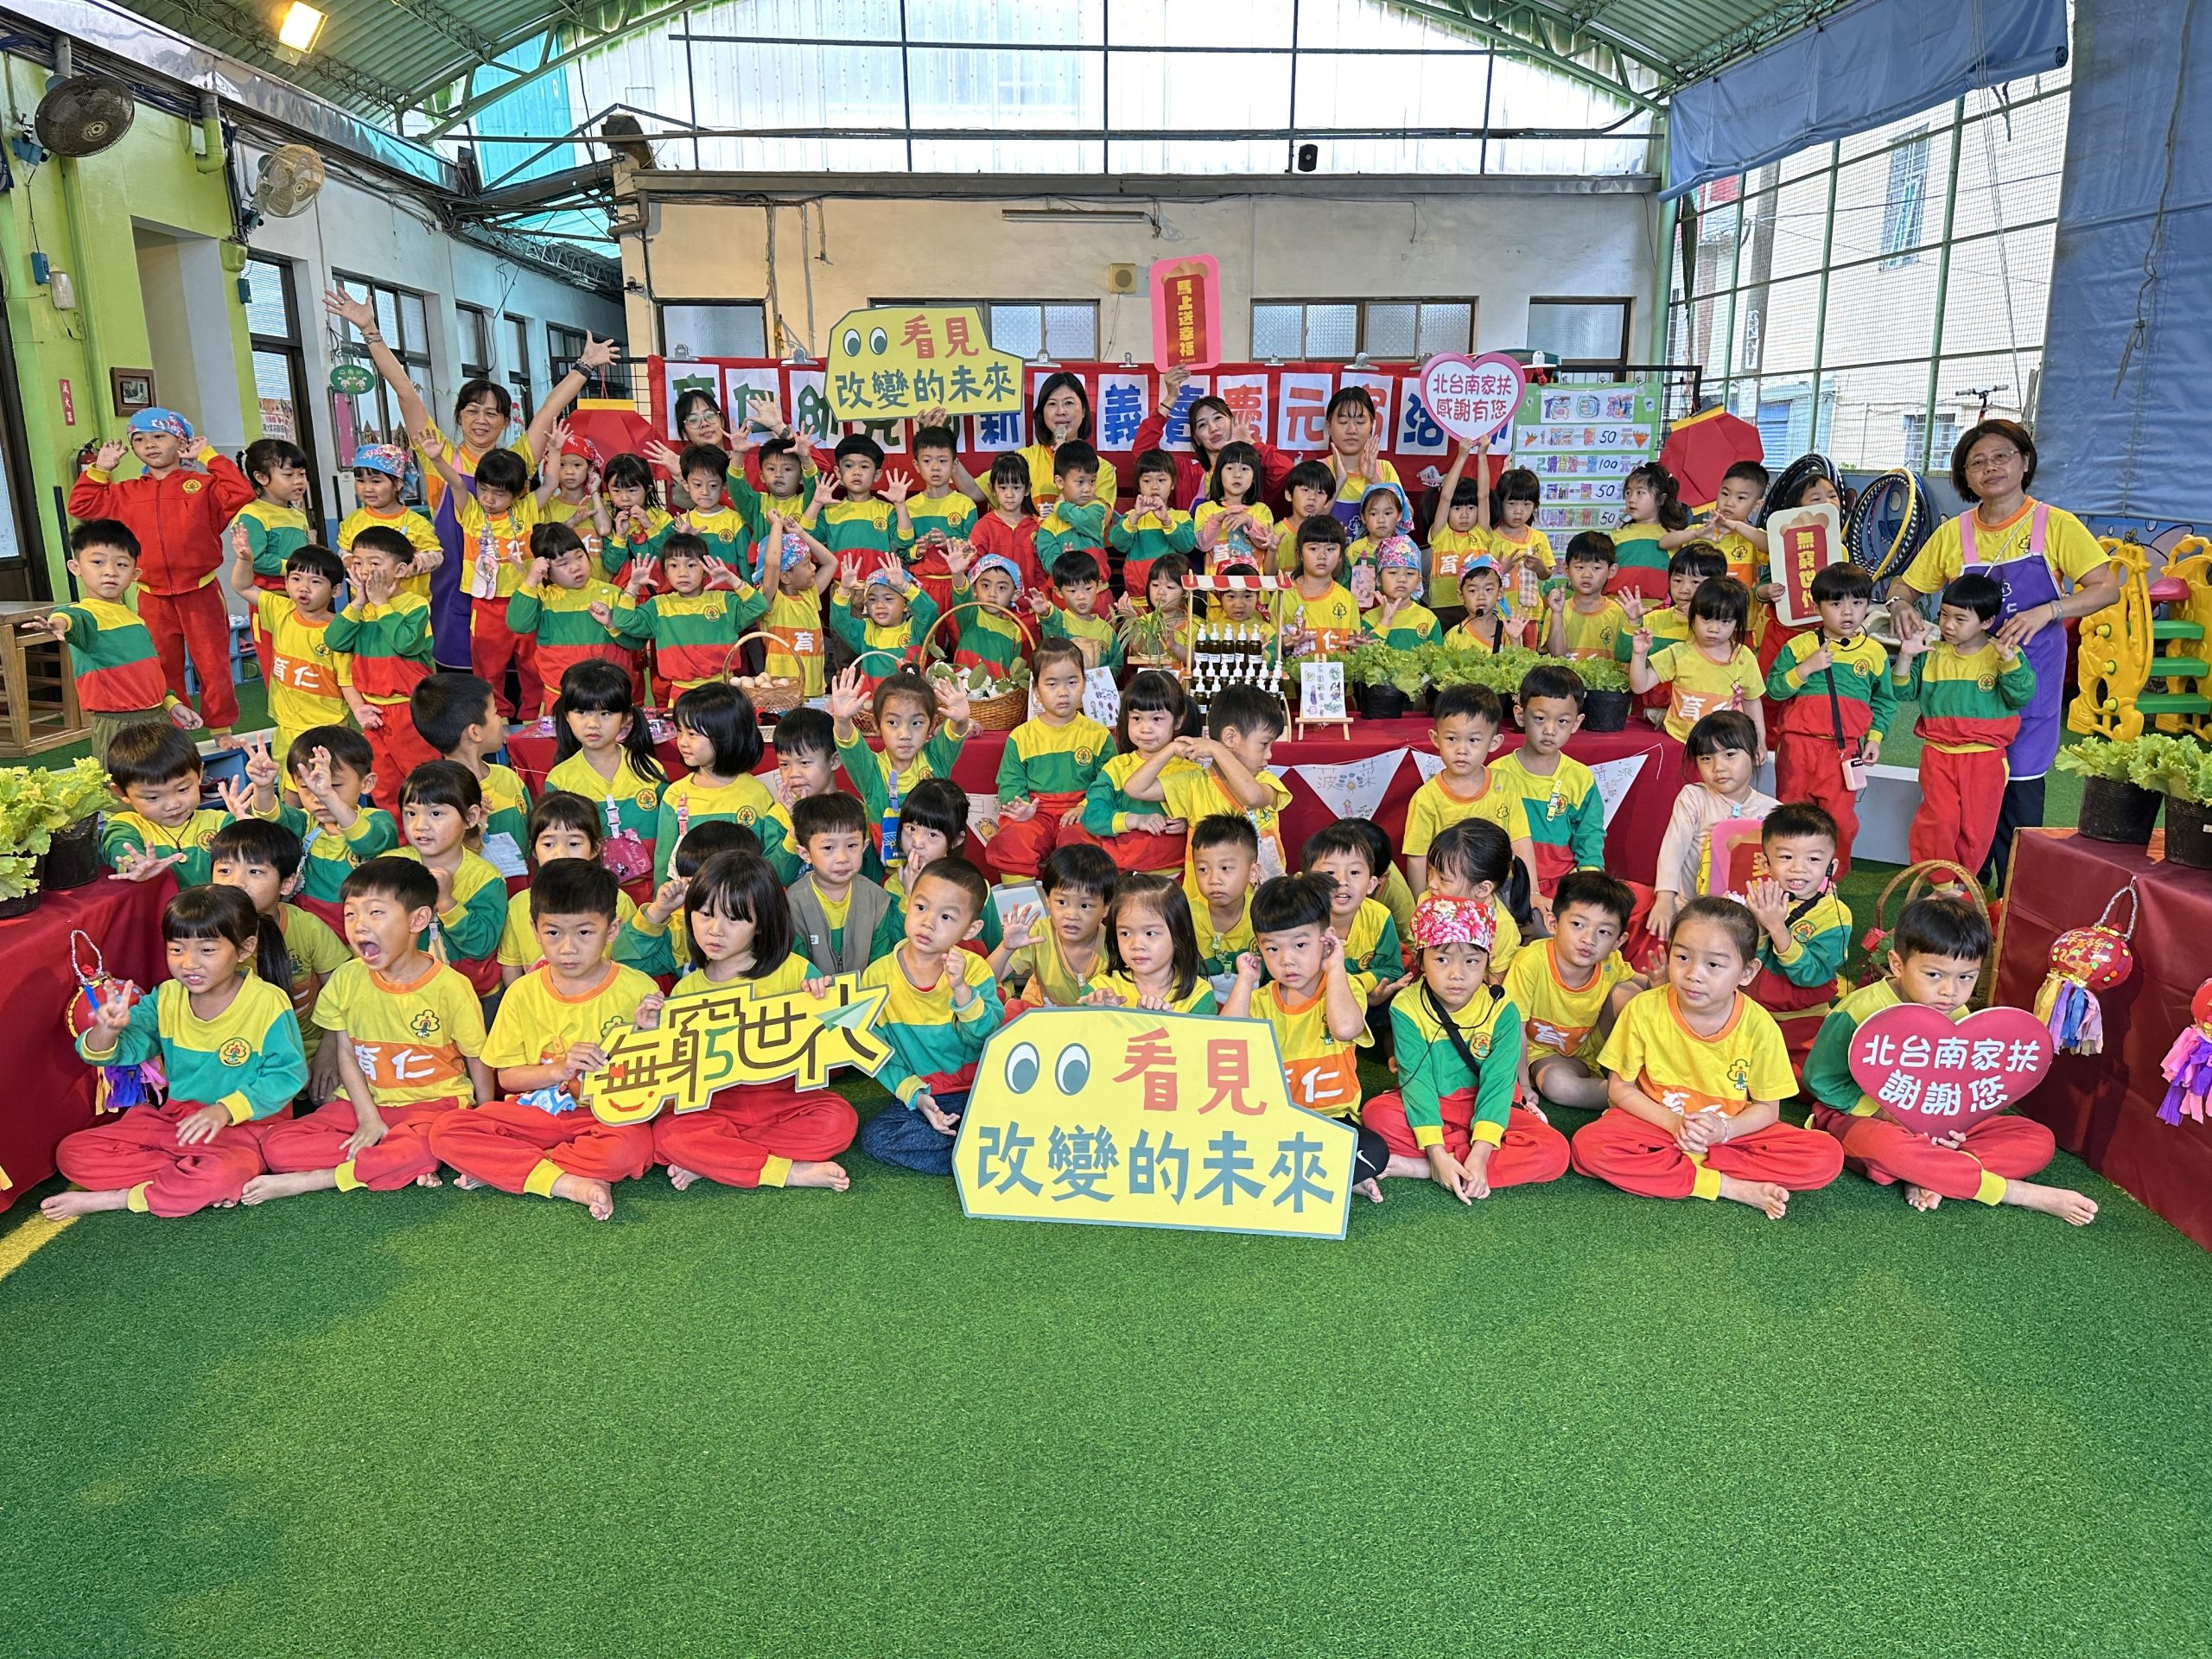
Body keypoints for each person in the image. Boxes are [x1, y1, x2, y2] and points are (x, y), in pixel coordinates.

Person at [328, 285, 613, 672]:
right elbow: (406, 393)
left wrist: (584, 366)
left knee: (524, 676)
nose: (481, 420)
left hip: (515, 588)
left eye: (492, 413)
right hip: (452, 585)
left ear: (506, 421)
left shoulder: (517, 460)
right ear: (459, 415)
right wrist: (370, 331)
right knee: (463, 678)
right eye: (472, 411)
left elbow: (550, 409)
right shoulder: (440, 455)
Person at [1886, 419, 2120, 887]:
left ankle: (2012, 897)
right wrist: (1899, 606)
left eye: (2001, 456)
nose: (1990, 467)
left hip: (2031, 682)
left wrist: (2050, 610)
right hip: (1965, 699)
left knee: (2019, 792)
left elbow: (2106, 588)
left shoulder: (2056, 525)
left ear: (2025, 462)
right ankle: (1961, 895)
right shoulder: (1953, 533)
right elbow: (1904, 587)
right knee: (1956, 806)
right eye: (1977, 462)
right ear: (1964, 476)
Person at [1805, 897, 2097, 1223]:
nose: (1950, 991)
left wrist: (1954, 1125)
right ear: (1897, 964)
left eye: (1966, 977)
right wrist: (1883, 1114)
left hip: (1936, 1121)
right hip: (1863, 1117)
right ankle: (2012, 1191)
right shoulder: (1859, 1010)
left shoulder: (1956, 1014)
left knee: (2038, 1141)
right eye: (1934, 974)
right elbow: (1822, 1080)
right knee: (1885, 1147)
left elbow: (1958, 1082)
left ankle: (1932, 1174)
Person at [41, 885, 305, 1220]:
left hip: (246, 1130)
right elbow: (110, 1051)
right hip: (177, 1123)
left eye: (206, 950)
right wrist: (107, 1029)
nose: (189, 963)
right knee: (72, 1153)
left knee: (225, 1172)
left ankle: (121, 1198)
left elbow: (288, 1074)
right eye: (176, 949)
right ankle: (187, 1176)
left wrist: (225, 1110)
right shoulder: (166, 997)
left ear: (244, 948)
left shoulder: (268, 1002)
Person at [1571, 896, 1843, 1217]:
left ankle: (1677, 1164)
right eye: (1682, 957)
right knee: (1590, 1145)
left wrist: (1724, 1131)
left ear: (1747, 971)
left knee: (1825, 1156)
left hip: (1729, 1133)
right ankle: (1723, 1184)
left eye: (1713, 965)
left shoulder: (1760, 1026)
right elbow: (1620, 1088)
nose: (1693, 974)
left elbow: (1768, 1109)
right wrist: (1675, 1124)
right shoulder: (1643, 1009)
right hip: (1658, 1125)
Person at [243, 856, 494, 1205]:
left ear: (418, 919)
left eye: (376, 912)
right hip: (360, 1103)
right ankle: (388, 1160)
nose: (359, 926)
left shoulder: (452, 986)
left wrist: (485, 1117)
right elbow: (346, 1053)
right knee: (277, 1147)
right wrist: (368, 1118)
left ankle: (323, 1178)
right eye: (350, 914)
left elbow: (476, 1056)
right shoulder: (347, 978)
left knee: (427, 1146)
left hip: (432, 1106)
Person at [427, 857, 660, 1220]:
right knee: (446, 1132)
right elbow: (507, 1078)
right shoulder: (522, 992)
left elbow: (653, 1077)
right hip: (533, 1115)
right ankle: (567, 1181)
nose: (567, 948)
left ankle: (514, 1168)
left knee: (635, 1147)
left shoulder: (637, 988)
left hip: (600, 1118)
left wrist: (650, 1032)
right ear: (535, 930)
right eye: (553, 933)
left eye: (584, 933)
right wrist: (559, 1069)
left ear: (612, 929)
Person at [652, 850, 856, 1194]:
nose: (715, 930)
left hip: (783, 1096)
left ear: (761, 922)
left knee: (840, 1121)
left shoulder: (794, 971)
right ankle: (785, 1171)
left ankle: (722, 1159)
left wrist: (823, 1003)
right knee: (666, 1134)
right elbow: (675, 1073)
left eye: (734, 918)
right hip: (719, 1103)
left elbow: (837, 1043)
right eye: (705, 914)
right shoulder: (686, 989)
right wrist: (651, 1029)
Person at [1363, 893, 1568, 1201]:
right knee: (1377, 1114)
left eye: (1472, 961)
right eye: (1442, 960)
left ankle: (1426, 1168)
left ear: (1487, 962)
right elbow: (1417, 1084)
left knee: (1555, 1152)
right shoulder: (1406, 1006)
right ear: (1421, 960)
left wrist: (1481, 1153)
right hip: (1435, 1102)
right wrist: (1436, 1150)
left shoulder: (1502, 1011)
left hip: (1486, 1103)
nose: (1457, 974)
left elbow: (1498, 1088)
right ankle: (1444, 1161)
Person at [66, 409, 255, 731]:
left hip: (201, 591)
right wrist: (100, 469)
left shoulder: (203, 486)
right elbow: (81, 505)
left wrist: (207, 456)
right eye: (139, 440)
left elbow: (241, 492)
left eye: (159, 436)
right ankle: (173, 729)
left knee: (213, 665)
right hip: (151, 595)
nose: (149, 445)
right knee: (161, 666)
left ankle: (221, 727)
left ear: (180, 442)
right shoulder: (125, 492)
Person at [1225, 874, 1382, 1197]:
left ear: (1326, 940)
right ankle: (1329, 1177)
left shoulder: (1344, 988)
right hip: (1276, 1124)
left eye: (1300, 945)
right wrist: (1244, 981)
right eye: (1272, 948)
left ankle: (1306, 1174)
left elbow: (1346, 1029)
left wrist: (1335, 967)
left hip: (1333, 1122)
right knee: (1232, 1145)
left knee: (1374, 1151)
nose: (1287, 960)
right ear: (1259, 948)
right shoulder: (1260, 999)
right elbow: (1228, 1040)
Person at [855, 857, 1004, 1176]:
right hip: (926, 1095)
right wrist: (917, 1097)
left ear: (971, 929)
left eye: (946, 916)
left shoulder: (974, 969)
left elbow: (986, 1039)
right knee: (876, 1138)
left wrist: (962, 991)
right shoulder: (877, 977)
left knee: (1021, 1116)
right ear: (908, 902)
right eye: (921, 907)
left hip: (979, 1089)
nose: (928, 923)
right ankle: (976, 1154)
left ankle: (978, 1145)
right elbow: (878, 1052)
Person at [1893, 574, 2038, 877]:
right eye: (1944, 615)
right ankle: (1941, 885)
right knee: (1938, 820)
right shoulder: (1933, 653)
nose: (1948, 625)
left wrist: (2009, 661)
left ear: (1987, 622)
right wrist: (1905, 657)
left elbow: (2021, 696)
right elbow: (1902, 692)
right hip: (1938, 754)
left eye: (1960, 619)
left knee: (1976, 830)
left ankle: (1963, 886)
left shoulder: (2002, 653)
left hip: (1984, 758)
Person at [25, 519, 204, 764]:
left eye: (121, 564)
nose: (110, 571)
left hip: (157, 716)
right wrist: (57, 623)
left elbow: (150, 676)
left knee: (164, 776)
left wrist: (172, 704)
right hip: (117, 724)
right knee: (121, 782)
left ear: (135, 574)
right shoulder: (86, 614)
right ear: (75, 567)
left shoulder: (135, 619)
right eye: (98, 562)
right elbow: (69, 616)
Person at [1764, 562, 1893, 874]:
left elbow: (1884, 701)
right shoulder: (1799, 646)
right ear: (1816, 606)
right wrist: (1805, 669)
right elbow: (1774, 690)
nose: (1848, 612)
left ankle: (1830, 884)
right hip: (1798, 748)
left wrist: (1875, 738)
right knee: (1792, 818)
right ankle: (1790, 880)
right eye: (1836, 604)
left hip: (1844, 751)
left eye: (1857, 603)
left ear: (1868, 605)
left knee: (1841, 823)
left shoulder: (1874, 653)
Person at [207, 817, 350, 1092]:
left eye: (255, 872)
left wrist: (329, 1052)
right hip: (242, 1051)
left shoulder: (307, 927)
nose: (237, 883)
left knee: (329, 1096)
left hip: (309, 1047)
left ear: (287, 884)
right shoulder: (207, 935)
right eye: (224, 870)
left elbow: (343, 992)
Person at [1503, 869, 1642, 1112]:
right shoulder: (1530, 963)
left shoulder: (1610, 963)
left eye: (1604, 932)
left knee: (1632, 996)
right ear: (1553, 924)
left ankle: (1653, 1082)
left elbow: (1646, 988)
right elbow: (1515, 1029)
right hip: (1544, 1054)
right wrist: (1522, 1085)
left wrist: (1663, 983)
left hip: (1592, 1048)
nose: (1589, 939)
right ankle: (1636, 1097)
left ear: (1618, 941)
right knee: (1558, 1085)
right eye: (1578, 924)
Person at [226, 540, 365, 769]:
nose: (304, 587)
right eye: (296, 579)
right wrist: (245, 559)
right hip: (286, 728)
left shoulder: (339, 631)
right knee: (289, 786)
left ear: (336, 590)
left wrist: (359, 708)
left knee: (326, 784)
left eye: (316, 581)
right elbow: (242, 586)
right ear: (286, 582)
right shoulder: (280, 610)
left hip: (327, 732)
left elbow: (346, 681)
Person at [327, 524, 435, 810]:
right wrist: (358, 603)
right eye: (358, 563)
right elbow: (334, 641)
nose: (365, 571)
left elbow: (405, 643)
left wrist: (381, 603)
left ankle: (431, 833)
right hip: (373, 712)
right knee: (384, 785)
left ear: (400, 570)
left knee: (423, 780)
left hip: (410, 710)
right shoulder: (359, 609)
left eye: (374, 563)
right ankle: (395, 835)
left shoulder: (415, 604)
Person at [1488, 664, 1605, 926]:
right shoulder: (1496, 774)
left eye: (1562, 721)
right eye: (1540, 718)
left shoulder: (1580, 778)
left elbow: (1590, 837)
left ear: (1576, 723)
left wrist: (1588, 883)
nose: (1550, 730)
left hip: (1562, 887)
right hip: (1507, 886)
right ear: (1520, 715)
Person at [1647, 711, 1778, 943]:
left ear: (1755, 753)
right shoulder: (1694, 797)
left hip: (1748, 921)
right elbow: (1673, 848)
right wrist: (1665, 899)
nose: (1718, 767)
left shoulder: (1773, 811)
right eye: (1706, 758)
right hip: (1691, 910)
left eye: (1730, 755)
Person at [828, 665, 972, 870]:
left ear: (932, 726)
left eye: (917, 723)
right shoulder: (871, 771)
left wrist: (962, 720)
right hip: (883, 873)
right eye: (893, 722)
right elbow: (849, 745)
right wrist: (842, 720)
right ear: (877, 724)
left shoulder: (935, 759)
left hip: (932, 871)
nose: (905, 734)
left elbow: (954, 734)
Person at [989, 641, 1112, 882]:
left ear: (1085, 683)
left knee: (1083, 845)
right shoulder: (1020, 737)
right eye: (1052, 684)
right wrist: (1021, 806)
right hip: (1036, 811)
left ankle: (1076, 901)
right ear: (1036, 690)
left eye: (1072, 682)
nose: (1063, 692)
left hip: (1081, 811)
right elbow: (1011, 783)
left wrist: (1086, 806)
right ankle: (1021, 902)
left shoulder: (1099, 735)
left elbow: (1108, 782)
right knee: (1014, 839)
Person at [1743, 802, 1853, 1068]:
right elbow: (1747, 961)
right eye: (1786, 857)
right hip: (1752, 1013)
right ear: (1765, 863)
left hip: (1804, 1020)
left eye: (1813, 859)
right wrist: (1760, 927)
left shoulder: (1834, 914)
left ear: (1831, 867)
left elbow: (1811, 975)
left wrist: (1776, 928)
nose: (1798, 868)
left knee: (1806, 1078)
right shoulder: (1760, 900)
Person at [544, 659, 666, 898]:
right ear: (567, 716)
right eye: (582, 712)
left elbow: (668, 839)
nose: (593, 724)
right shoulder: (560, 780)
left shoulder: (650, 770)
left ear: (626, 717)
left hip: (650, 895)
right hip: (589, 896)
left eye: (606, 713)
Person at [264, 726, 401, 932]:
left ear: (366, 783)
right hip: (310, 935)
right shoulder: (305, 822)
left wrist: (329, 797)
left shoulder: (379, 821)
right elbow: (272, 819)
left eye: (333, 786)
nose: (319, 796)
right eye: (308, 787)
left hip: (363, 933)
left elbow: (367, 843)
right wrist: (263, 788)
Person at [494, 792, 641, 984]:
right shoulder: (517, 904)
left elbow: (631, 959)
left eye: (574, 843)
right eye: (548, 844)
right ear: (533, 849)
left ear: (595, 848)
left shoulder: (618, 900)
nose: (561, 853)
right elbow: (511, 966)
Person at [391, 760, 508, 995]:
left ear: (471, 817)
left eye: (436, 813)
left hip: (475, 995)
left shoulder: (486, 879)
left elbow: (482, 946)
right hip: (409, 993)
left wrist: (446, 901)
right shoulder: (391, 868)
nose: (420, 825)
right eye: (411, 813)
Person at [607, 531, 766, 702]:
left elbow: (759, 606)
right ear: (665, 572)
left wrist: (732, 579)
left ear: (705, 570)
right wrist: (633, 585)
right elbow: (623, 620)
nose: (682, 572)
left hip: (724, 690)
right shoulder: (659, 606)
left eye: (691, 565)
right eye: (674, 566)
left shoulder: (724, 601)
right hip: (681, 694)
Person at [411, 672, 531, 880]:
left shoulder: (508, 777)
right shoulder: (438, 797)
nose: (500, 720)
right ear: (475, 732)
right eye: (495, 713)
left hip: (523, 890)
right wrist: (468, 825)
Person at [505, 523, 635, 715]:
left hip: (610, 696)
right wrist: (531, 581)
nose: (576, 567)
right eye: (563, 564)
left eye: (579, 556)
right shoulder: (543, 599)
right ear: (546, 570)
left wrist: (611, 623)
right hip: (561, 698)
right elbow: (518, 624)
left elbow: (633, 641)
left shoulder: (612, 593)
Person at [1076, 671, 1195, 875]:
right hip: (1125, 874)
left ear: (1178, 720)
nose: (1145, 728)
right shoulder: (1116, 768)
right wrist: (1135, 820)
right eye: (1137, 718)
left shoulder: (1190, 769)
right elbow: (1093, 815)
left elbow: (1207, 815)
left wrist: (1187, 823)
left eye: (1157, 719)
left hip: (1176, 873)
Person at [1629, 575, 1766, 753]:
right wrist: (1639, 655)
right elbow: (1640, 686)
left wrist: (1759, 741)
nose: (1714, 629)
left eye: (1725, 621)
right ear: (1693, 616)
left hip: (1722, 747)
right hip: (1679, 743)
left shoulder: (1744, 656)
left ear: (1737, 623)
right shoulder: (1679, 652)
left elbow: (1752, 701)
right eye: (1706, 619)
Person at [1133, 369, 1295, 512]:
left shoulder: (1251, 470)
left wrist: (1250, 444)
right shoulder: (1187, 472)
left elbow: (1286, 471)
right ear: (1197, 439)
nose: (1213, 428)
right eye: (1202, 425)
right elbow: (1143, 453)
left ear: (1232, 422)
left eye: (1218, 418)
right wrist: (1170, 397)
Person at [613, 819, 757, 981]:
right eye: (693, 886)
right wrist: (659, 910)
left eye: (733, 917)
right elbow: (627, 960)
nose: (715, 930)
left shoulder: (766, 926)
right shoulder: (679, 932)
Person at [1403, 685, 1509, 895]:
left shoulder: (1505, 784)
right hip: (1446, 895)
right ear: (1435, 739)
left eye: (1473, 740)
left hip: (1496, 891)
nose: (1462, 750)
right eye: (1452, 739)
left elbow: (1520, 841)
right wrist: (1421, 903)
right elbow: (1417, 857)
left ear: (1494, 742)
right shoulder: (1426, 798)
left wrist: (1532, 892)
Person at [228, 435, 313, 683]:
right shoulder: (252, 514)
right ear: (261, 478)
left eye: (302, 474)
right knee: (276, 660)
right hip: (269, 599)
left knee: (304, 657)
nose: (299, 481)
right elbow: (256, 560)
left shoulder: (297, 514)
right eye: (289, 475)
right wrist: (297, 569)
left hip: (301, 597)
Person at [1303, 823, 1409, 1020]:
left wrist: (1360, 984)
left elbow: (1393, 969)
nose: (1342, 881)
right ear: (1306, 882)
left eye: (1354, 872)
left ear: (1371, 884)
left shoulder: (1379, 916)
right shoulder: (1298, 920)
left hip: (1366, 1000)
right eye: (1330, 873)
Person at [994, 842, 1116, 1010]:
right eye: (1062, 902)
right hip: (1040, 1011)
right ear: (1048, 900)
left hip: (1091, 1018)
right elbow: (983, 980)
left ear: (1105, 908)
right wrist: (1006, 948)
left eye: (1085, 905)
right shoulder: (1037, 934)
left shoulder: (1115, 944)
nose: (1071, 915)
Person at [786, 790, 895, 977]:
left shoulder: (876, 899)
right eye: (829, 847)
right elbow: (796, 970)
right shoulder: (792, 904)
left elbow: (881, 964)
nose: (842, 858)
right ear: (805, 854)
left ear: (864, 846)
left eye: (852, 845)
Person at [1084, 874, 1216, 1014]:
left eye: (1150, 933)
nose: (1136, 945)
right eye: (1125, 933)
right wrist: (1106, 1016)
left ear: (1179, 934)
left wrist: (1160, 1023)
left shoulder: (1199, 996)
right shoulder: (1099, 991)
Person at [337, 444, 443, 601]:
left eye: (376, 481)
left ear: (398, 484)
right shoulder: (353, 521)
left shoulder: (415, 523)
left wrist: (412, 565)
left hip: (407, 606)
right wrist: (349, 560)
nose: (367, 488)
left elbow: (436, 556)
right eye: (360, 481)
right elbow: (344, 551)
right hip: (367, 607)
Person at [1421, 819, 1524, 980]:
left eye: (1443, 879)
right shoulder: (1428, 901)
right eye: (1430, 870)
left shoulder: (1501, 927)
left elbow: (1496, 981)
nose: (1431, 883)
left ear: (1482, 889)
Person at [801, 433, 908, 583]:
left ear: (877, 475)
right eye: (849, 466)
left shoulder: (887, 510)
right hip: (840, 587)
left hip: (880, 588)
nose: (856, 472)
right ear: (838, 472)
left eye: (864, 466)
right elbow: (805, 538)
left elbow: (904, 542)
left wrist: (900, 505)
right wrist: (816, 503)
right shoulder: (831, 512)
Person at [827, 561, 937, 696]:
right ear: (866, 604)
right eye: (873, 599)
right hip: (871, 704)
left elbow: (929, 611)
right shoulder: (865, 630)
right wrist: (844, 590)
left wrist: (905, 587)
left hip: (909, 700)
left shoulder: (915, 629)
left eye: (888, 599)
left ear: (906, 605)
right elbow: (839, 622)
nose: (879, 605)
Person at [1109, 450, 1197, 607]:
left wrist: (1167, 521)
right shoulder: (1131, 516)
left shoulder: (1181, 517)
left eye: (1162, 480)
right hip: (1138, 598)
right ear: (1138, 485)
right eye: (1147, 480)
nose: (1154, 486)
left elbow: (1187, 545)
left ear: (1173, 483)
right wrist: (1135, 516)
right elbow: (1118, 543)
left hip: (1170, 600)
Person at [763, 706, 839, 884]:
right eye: (784, 764)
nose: (793, 774)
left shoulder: (853, 810)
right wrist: (796, 825)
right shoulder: (778, 816)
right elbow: (776, 877)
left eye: (804, 762)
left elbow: (867, 874)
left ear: (834, 761)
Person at [1034, 442, 1116, 594]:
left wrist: (1061, 507)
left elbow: (1081, 520)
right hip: (1065, 595)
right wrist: (1064, 562)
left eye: (1092, 481)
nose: (1088, 489)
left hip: (1098, 593)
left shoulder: (1097, 509)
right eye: (1080, 482)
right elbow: (1048, 560)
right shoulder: (1048, 526)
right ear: (1060, 482)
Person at [1278, 517, 1362, 667]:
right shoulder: (1284, 595)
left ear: (1340, 555)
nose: (1322, 556)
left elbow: (1351, 645)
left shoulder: (1347, 599)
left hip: (1338, 681)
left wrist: (1357, 647)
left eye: (1330, 549)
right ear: (1299, 554)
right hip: (1295, 681)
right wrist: (1289, 641)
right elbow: (1271, 644)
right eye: (1313, 549)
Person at [1319, 385, 1399, 529]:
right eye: (1343, 422)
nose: (1352, 430)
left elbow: (1405, 519)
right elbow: (1307, 524)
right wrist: (1339, 481)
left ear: (1372, 425)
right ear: (1329, 426)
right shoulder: (1317, 470)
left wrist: (1374, 479)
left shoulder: (1384, 469)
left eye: (1360, 422)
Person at [1194, 441, 1276, 579]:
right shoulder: (1205, 509)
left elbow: (1264, 543)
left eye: (1244, 469)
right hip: (1218, 589)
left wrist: (1249, 521)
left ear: (1254, 478)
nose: (1237, 474)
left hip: (1254, 589)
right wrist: (1217, 520)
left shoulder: (1262, 510)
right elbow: (1203, 545)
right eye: (1230, 468)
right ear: (1219, 474)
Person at [1610, 461, 1688, 601]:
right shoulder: (1617, 535)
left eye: (1640, 492)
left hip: (1656, 609)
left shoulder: (1672, 537)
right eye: (1628, 492)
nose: (1631, 499)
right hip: (1615, 606)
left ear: (1661, 500)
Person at [1030, 552, 1121, 671]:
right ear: (1059, 592)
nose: (1081, 596)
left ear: (1098, 587)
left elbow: (1117, 664)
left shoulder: (1107, 630)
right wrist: (1045, 612)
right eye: (1073, 591)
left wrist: (1101, 675)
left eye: (1088, 589)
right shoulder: (1059, 622)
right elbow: (1050, 621)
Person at [1543, 532, 1628, 660]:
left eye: (1596, 568)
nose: (1587, 575)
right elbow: (1557, 654)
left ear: (1611, 571)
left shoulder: (1619, 612)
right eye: (1580, 567)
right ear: (1567, 569)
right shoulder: (1557, 611)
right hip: (1568, 674)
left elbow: (1626, 657)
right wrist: (1557, 613)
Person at [1362, 540, 1439, 647]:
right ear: (1378, 579)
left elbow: (1438, 655)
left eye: (1410, 573)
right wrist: (1385, 620)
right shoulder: (1369, 618)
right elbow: (1365, 653)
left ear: (1419, 581)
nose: (1402, 579)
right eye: (1393, 572)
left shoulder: (1428, 618)